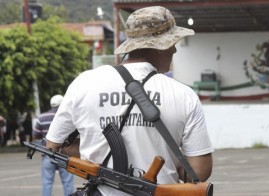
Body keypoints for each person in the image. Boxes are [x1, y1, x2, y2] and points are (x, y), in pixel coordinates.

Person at [45, 6, 214, 196]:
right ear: (161, 45)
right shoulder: (184, 95)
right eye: (172, 42)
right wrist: (172, 162)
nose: (174, 49)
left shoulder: (84, 83)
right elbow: (199, 171)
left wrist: (92, 154)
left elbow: (53, 145)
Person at [33, 94, 74, 196]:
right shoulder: (69, 116)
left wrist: (43, 145)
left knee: (47, 183)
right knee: (68, 183)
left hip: (47, 154)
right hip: (65, 156)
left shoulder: (42, 117)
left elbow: (35, 135)